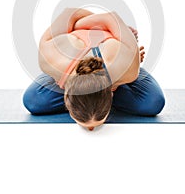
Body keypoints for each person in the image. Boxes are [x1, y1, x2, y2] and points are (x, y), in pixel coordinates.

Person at [23, 8, 165, 130]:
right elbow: (70, 12)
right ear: (65, 97)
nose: (91, 129)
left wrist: (132, 60)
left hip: (119, 65)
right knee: (33, 100)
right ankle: (92, 99)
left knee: (153, 103)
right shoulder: (51, 56)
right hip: (79, 66)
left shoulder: (126, 66)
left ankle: (94, 98)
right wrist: (99, 27)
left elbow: (110, 17)